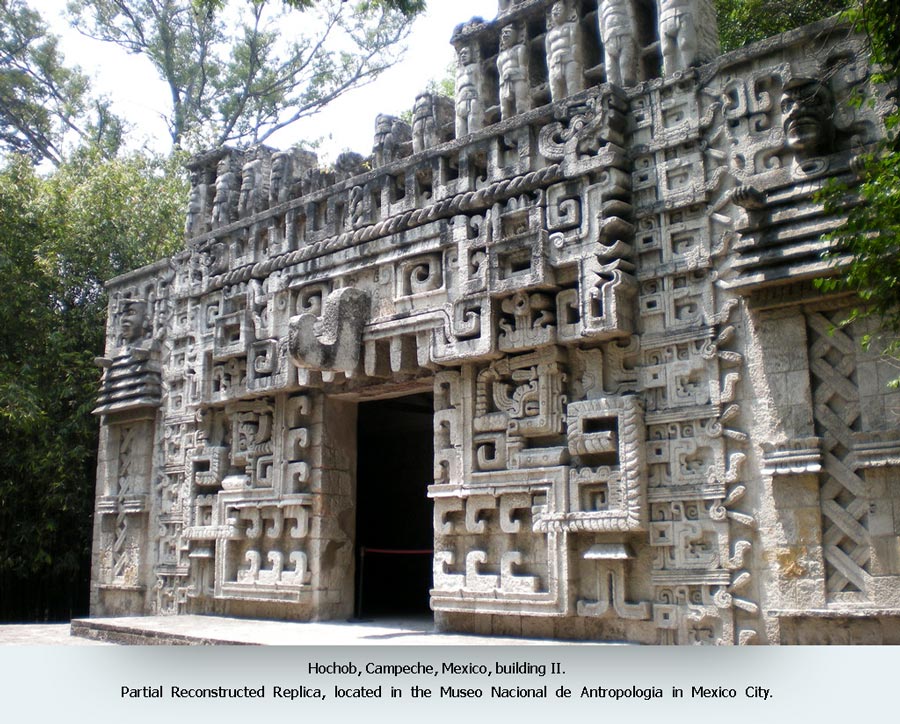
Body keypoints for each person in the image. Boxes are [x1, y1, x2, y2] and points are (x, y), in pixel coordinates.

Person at [546, 0, 584, 102]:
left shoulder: (572, 26)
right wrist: (550, 65)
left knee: (573, 89)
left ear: (567, 11)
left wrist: (576, 60)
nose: (555, 12)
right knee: (556, 95)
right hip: (554, 65)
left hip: (569, 60)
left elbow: (575, 45)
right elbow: (549, 53)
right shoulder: (549, 35)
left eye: (559, 9)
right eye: (553, 10)